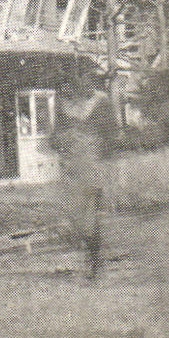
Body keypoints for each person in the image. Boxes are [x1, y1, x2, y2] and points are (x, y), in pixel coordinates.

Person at [53, 79, 116, 278]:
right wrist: (64, 141)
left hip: (92, 167)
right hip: (72, 169)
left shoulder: (101, 102)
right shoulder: (65, 107)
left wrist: (100, 154)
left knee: (90, 217)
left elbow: (112, 134)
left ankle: (94, 260)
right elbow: (54, 138)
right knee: (76, 216)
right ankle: (92, 255)